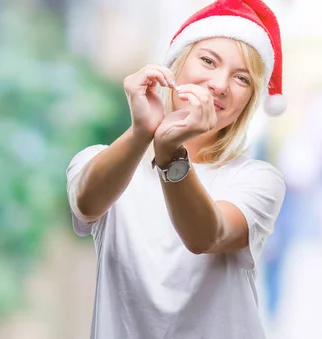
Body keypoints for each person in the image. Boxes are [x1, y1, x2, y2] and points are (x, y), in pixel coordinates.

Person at [65, 0, 287, 338]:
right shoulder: (98, 160)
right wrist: (143, 132)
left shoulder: (258, 180)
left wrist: (170, 153)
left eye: (241, 78)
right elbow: (87, 203)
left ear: (248, 103)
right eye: (208, 61)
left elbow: (205, 236)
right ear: (176, 66)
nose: (219, 84)